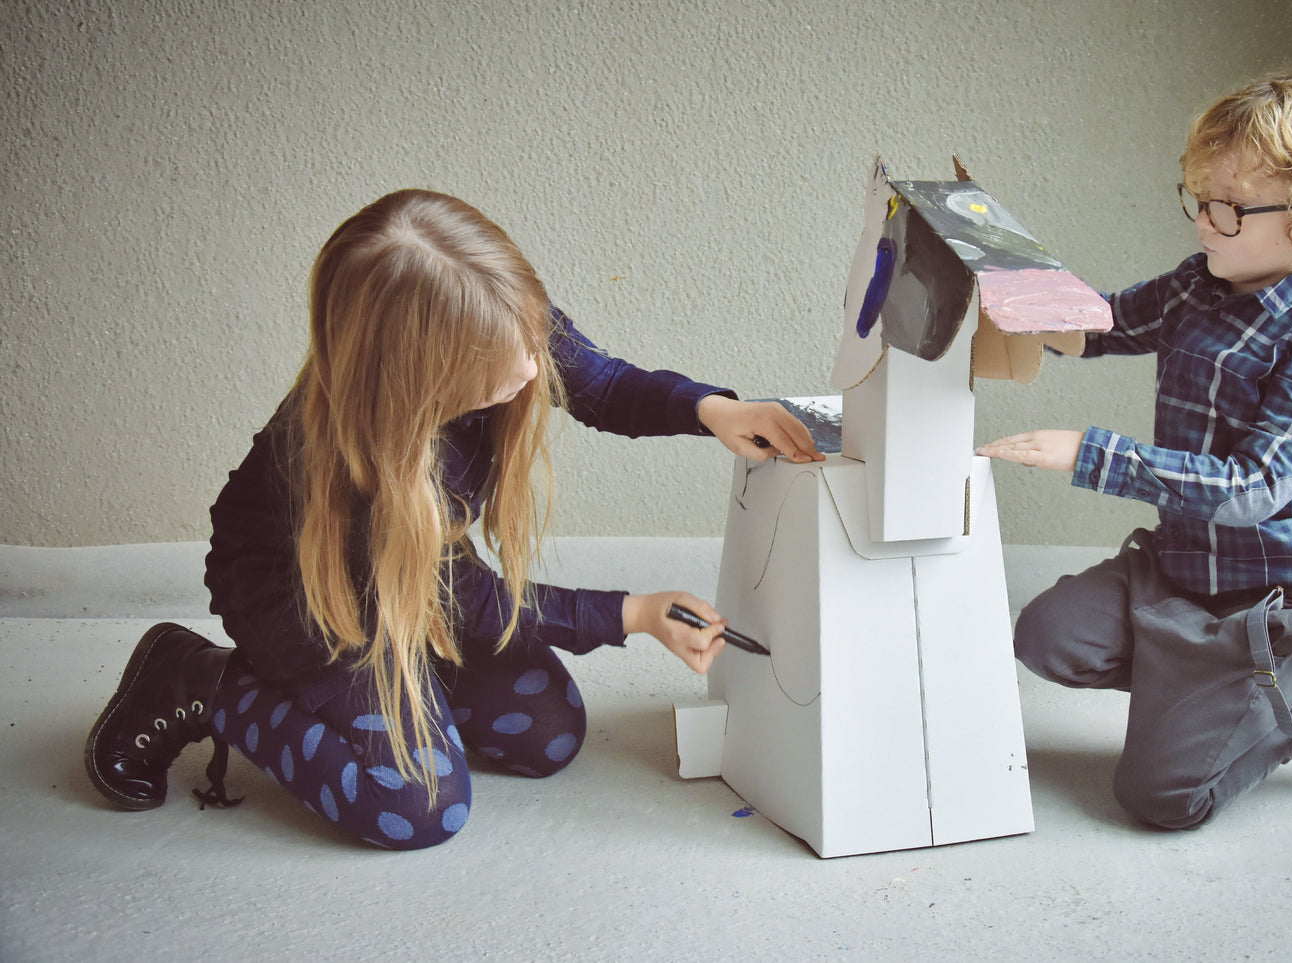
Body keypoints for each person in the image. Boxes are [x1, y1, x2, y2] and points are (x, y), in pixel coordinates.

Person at [84, 188, 823, 849]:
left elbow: (601, 383)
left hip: (413, 573)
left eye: (532, 341)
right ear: (418, 381)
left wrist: (712, 409)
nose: (532, 371)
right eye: (500, 365)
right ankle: (202, 681)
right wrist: (632, 613)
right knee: (414, 806)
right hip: (311, 605)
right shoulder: (356, 463)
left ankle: (407, 680)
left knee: (547, 734)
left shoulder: (499, 320)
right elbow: (467, 602)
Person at [976, 63, 1292, 829]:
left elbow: (1252, 486)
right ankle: (1207, 685)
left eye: (1229, 207)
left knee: (1161, 799)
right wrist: (1009, 292)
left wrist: (1090, 453)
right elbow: (1103, 323)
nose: (1204, 223)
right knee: (1046, 635)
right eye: (1199, 199)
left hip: (1277, 596)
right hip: (1183, 569)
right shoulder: (1196, 285)